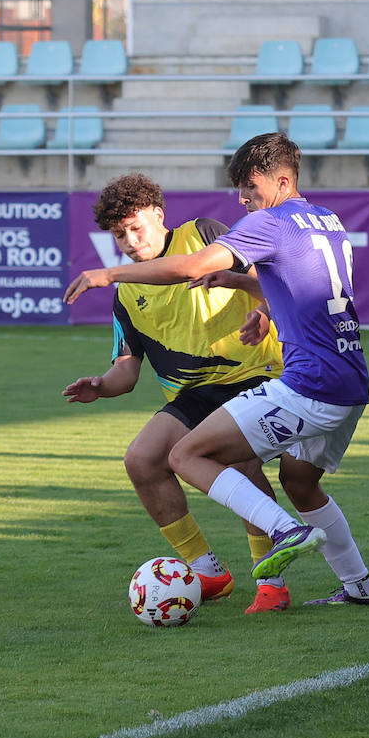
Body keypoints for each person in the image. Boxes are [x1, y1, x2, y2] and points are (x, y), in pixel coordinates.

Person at [64, 133, 369, 607]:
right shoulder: (325, 218)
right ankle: (361, 588)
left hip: (304, 384)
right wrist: (253, 293)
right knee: (299, 482)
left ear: (281, 180)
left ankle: (284, 533)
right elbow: (302, 283)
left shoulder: (270, 223)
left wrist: (106, 273)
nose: (243, 200)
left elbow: (190, 265)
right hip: (349, 378)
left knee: (187, 456)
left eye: (250, 188)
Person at [64, 173, 292, 614]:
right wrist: (101, 385)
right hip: (194, 395)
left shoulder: (204, 236)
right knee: (141, 460)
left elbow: (272, 282)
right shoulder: (127, 293)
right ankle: (207, 572)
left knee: (243, 465)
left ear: (159, 215)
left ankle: (272, 581)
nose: (129, 241)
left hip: (254, 376)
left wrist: (263, 314)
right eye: (118, 234)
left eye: (136, 227)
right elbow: (126, 371)